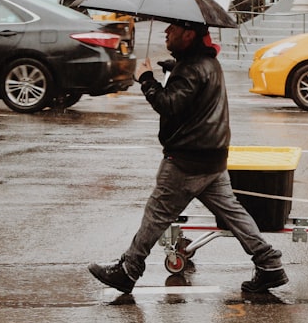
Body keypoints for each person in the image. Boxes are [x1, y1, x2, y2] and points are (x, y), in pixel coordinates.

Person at [88, 21, 288, 294]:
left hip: (187, 159)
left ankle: (128, 269)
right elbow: (193, 94)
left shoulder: (192, 68)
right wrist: (174, 68)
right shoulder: (207, 63)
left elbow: (168, 104)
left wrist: (146, 79)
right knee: (232, 212)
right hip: (212, 155)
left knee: (156, 213)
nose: (166, 33)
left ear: (189, 35)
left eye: (173, 30)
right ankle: (270, 264)